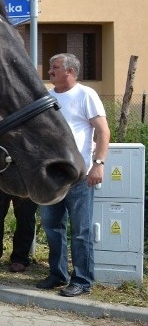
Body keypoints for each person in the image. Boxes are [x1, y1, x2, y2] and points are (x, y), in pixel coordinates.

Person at [36, 53, 109, 297]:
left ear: (70, 71)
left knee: (81, 231)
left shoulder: (86, 95)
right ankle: (58, 274)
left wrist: (98, 164)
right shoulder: (48, 97)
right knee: (52, 227)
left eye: (55, 67)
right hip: (53, 176)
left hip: (79, 175)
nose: (50, 72)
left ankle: (82, 280)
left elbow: (102, 131)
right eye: (50, 67)